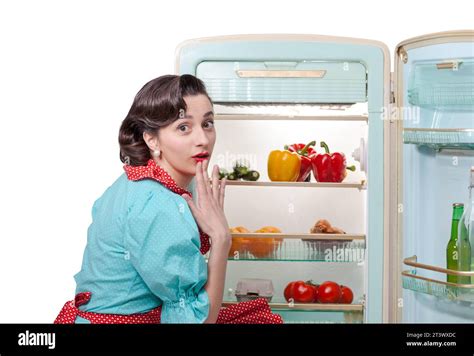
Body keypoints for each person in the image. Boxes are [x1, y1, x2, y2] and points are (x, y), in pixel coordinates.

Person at [54, 74, 283, 324]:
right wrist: (221, 238)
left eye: (207, 124)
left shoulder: (138, 183)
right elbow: (197, 321)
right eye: (183, 127)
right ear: (151, 138)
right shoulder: (156, 203)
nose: (203, 140)